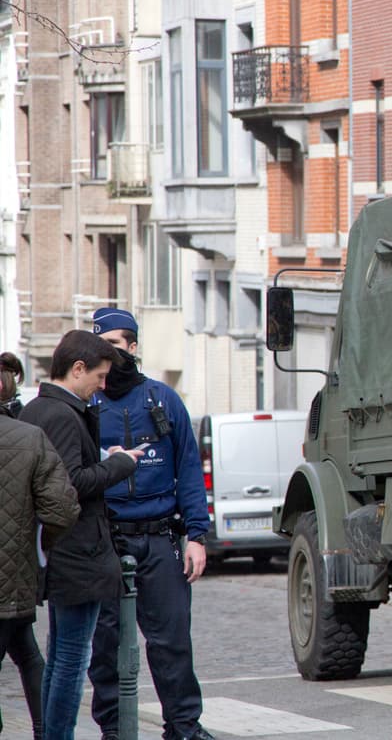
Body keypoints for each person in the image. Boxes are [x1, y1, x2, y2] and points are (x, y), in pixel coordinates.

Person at [87, 308, 214, 740]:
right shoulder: (88, 404)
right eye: (102, 346)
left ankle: (183, 727)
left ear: (134, 347)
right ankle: (112, 729)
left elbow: (190, 470)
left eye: (116, 345)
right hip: (107, 537)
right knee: (104, 645)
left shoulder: (163, 399)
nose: (109, 354)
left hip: (160, 536)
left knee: (172, 641)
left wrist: (197, 535)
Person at [20, 331, 140, 740]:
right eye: (100, 377)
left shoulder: (38, 410)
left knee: (59, 656)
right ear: (77, 369)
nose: (102, 387)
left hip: (57, 550)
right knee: (71, 657)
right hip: (76, 551)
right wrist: (121, 464)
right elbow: (71, 483)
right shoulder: (61, 414)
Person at [0, 351, 81, 740]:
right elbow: (62, 511)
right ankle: (43, 731)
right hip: (14, 580)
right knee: (27, 653)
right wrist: (37, 551)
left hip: (13, 581)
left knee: (27, 653)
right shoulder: (29, 437)